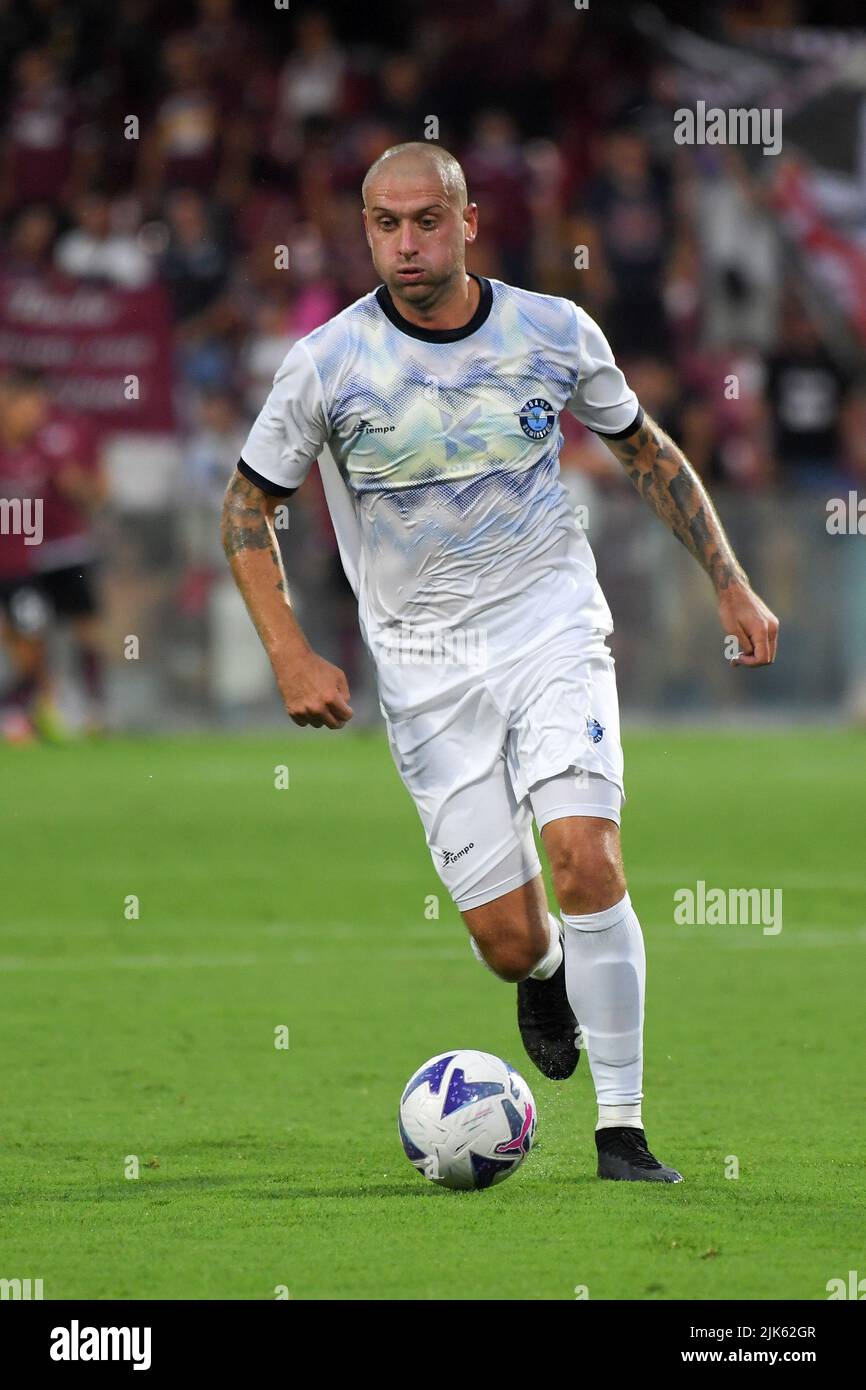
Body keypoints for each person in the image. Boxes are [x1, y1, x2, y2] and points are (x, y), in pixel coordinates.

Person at [221, 143, 779, 1184]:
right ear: (364, 230)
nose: (406, 243)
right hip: (425, 670)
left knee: (584, 856)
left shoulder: (552, 333)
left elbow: (646, 451)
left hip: (549, 629)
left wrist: (730, 581)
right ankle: (548, 970)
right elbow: (248, 508)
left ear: (468, 222)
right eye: (384, 225)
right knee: (508, 940)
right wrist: (289, 650)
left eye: (426, 221)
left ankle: (622, 1133)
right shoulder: (326, 363)